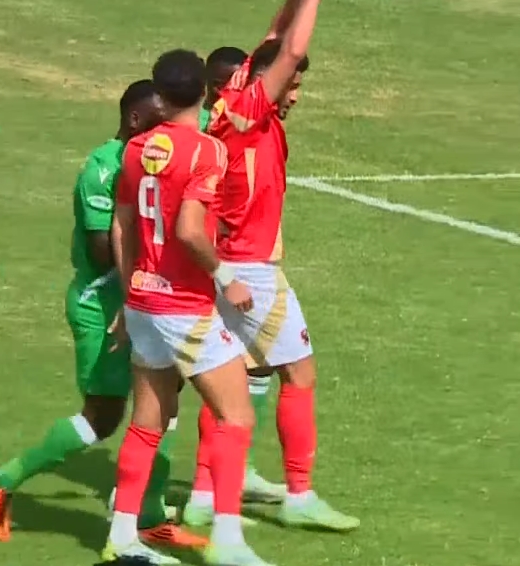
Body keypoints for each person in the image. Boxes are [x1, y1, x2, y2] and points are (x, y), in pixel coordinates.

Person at [0, 79, 206, 550]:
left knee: (166, 399)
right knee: (103, 417)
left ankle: (149, 512)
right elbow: (103, 250)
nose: (165, 133)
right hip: (102, 306)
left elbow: (205, 113)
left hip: (146, 302)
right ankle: (1, 479)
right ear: (134, 120)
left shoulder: (155, 157)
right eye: (156, 123)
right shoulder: (102, 168)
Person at [102, 48, 273, 566]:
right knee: (237, 415)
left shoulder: (136, 149)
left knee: (147, 421)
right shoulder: (206, 151)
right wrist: (226, 278)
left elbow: (123, 225)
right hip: (185, 306)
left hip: (144, 301)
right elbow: (190, 230)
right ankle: (227, 540)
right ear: (202, 91)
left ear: (158, 95)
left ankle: (122, 535)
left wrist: (130, 293)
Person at [202, 0, 360, 532]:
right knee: (300, 372)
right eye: (291, 86)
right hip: (251, 269)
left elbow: (276, 39)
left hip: (230, 263)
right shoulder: (248, 114)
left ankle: (204, 493)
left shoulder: (232, 99)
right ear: (265, 83)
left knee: (232, 376)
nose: (294, 94)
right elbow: (288, 51)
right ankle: (299, 493)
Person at [199, 47, 248, 132]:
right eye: (217, 85)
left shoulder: (252, 121)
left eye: (234, 86)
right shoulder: (193, 121)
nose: (225, 93)